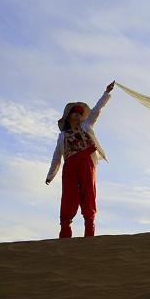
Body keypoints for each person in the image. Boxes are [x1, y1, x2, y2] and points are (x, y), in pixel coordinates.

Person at [45, 81, 115, 238]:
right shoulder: (62, 136)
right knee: (69, 197)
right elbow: (57, 157)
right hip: (69, 167)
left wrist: (106, 93)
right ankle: (64, 233)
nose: (77, 115)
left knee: (88, 195)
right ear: (68, 117)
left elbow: (96, 110)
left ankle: (89, 233)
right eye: (73, 113)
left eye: (79, 113)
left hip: (86, 165)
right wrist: (50, 175)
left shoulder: (86, 126)